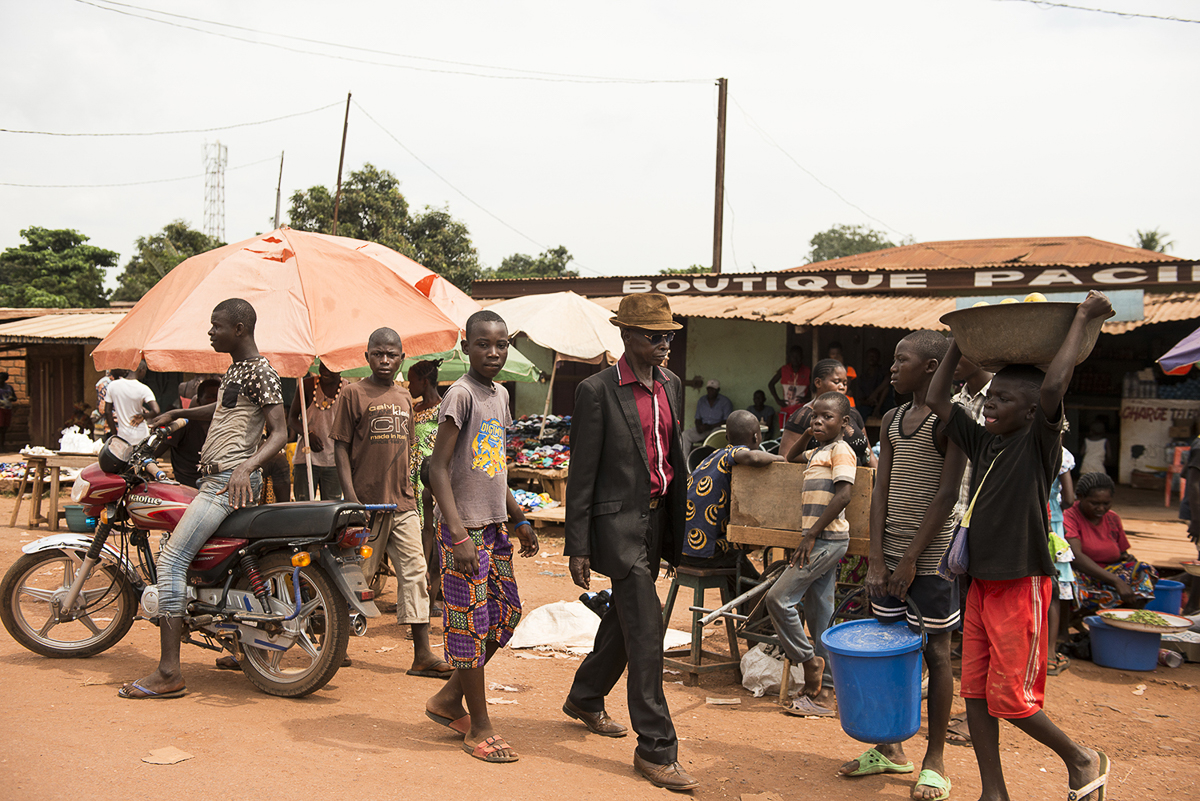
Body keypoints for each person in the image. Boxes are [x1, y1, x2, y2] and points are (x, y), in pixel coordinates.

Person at [928, 290, 1112, 801]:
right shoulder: (985, 439)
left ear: (1034, 413)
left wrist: (1081, 318)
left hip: (1020, 581)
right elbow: (938, 401)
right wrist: (955, 344)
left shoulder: (1039, 445)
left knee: (1012, 699)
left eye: (1005, 400)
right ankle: (994, 792)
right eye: (991, 398)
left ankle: (1080, 757)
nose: (991, 406)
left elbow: (1054, 384)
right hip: (980, 583)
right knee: (975, 695)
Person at [562, 293, 699, 791]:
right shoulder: (597, 390)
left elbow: (672, 461)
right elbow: (582, 471)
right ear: (627, 337)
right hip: (618, 528)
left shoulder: (671, 386)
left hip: (659, 521)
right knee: (647, 632)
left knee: (626, 619)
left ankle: (585, 695)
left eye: (668, 336)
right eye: (653, 336)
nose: (664, 344)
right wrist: (577, 543)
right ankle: (656, 749)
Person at [118, 298, 287, 699]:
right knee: (217, 562)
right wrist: (177, 413)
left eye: (217, 326)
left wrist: (246, 467)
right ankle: (239, 642)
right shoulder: (237, 371)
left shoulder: (260, 370)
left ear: (240, 329)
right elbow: (223, 410)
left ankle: (169, 671)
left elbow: (280, 432)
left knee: (172, 558)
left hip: (228, 483)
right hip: (218, 480)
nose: (210, 332)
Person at [837, 330, 966, 801]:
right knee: (890, 650)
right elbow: (880, 492)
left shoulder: (951, 421)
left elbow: (947, 495)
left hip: (931, 561)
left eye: (901, 360)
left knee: (936, 653)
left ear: (932, 368)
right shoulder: (892, 420)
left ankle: (935, 759)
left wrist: (911, 559)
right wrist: (876, 556)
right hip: (888, 556)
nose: (892, 368)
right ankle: (889, 748)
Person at [424, 310, 538, 764]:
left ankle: (449, 700)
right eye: (483, 344)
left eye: (501, 344)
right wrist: (457, 535)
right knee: (470, 624)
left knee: (506, 616)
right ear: (465, 347)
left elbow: (493, 464)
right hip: (463, 529)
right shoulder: (461, 395)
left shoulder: (501, 395)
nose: (493, 352)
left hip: (492, 525)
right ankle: (480, 728)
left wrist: (518, 516)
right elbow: (437, 469)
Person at [332, 328, 452, 680]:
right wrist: (351, 497)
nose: (385, 360)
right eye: (378, 354)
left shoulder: (404, 398)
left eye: (392, 354)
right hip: (365, 506)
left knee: (414, 574)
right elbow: (340, 446)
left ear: (402, 358)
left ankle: (422, 654)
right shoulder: (353, 393)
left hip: (402, 503)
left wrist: (413, 494)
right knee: (356, 577)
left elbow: (410, 451)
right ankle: (335, 647)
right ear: (367, 356)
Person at [767, 391, 857, 718]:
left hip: (826, 540)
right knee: (820, 611)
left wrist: (812, 534)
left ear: (844, 423)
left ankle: (808, 662)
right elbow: (790, 457)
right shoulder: (818, 452)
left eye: (827, 417)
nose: (819, 421)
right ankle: (825, 695)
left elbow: (845, 494)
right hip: (820, 540)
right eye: (814, 416)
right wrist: (807, 431)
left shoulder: (841, 451)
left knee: (778, 598)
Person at [681, 410, 783, 591]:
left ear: (727, 436)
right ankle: (754, 611)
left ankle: (743, 608)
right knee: (742, 566)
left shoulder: (712, 457)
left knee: (736, 557)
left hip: (682, 547)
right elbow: (753, 456)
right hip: (703, 552)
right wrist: (780, 459)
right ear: (756, 436)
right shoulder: (734, 454)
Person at [1065, 471, 1158, 613]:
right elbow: (1075, 556)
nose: (1101, 508)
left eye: (1106, 503)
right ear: (1080, 497)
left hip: (1108, 573)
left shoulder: (1112, 518)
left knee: (1143, 571)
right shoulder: (1069, 515)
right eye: (1095, 503)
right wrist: (1116, 581)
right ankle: (1076, 619)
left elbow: (1121, 552)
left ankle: (1127, 619)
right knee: (1068, 580)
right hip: (1082, 572)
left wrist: (1125, 558)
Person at [780, 359, 875, 468]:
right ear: (818, 382)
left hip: (861, 480)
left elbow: (869, 454)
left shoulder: (852, 413)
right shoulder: (802, 417)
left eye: (845, 383)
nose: (842, 387)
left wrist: (877, 479)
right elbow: (786, 462)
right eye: (836, 382)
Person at [408, 358, 444, 615]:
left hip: (433, 481)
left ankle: (432, 596)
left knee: (434, 538)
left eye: (412, 380)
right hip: (412, 482)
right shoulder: (413, 409)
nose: (409, 385)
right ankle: (420, 596)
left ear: (424, 381)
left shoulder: (444, 410)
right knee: (419, 539)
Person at [289, 362, 347, 501]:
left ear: (340, 368)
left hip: (334, 460)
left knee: (331, 507)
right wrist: (308, 434)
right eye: (322, 366)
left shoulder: (348, 389)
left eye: (330, 368)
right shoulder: (307, 385)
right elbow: (292, 419)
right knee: (303, 506)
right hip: (306, 457)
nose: (325, 371)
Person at [1046, 448, 1077, 675]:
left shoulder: (1020, 443)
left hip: (1026, 521)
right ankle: (1049, 654)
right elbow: (1069, 498)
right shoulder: (1061, 453)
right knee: (1053, 591)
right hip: (1053, 524)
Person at [164, 379, 219, 489]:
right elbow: (159, 448)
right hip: (187, 487)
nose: (215, 401)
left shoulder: (223, 426)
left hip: (214, 486)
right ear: (198, 401)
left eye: (218, 398)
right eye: (210, 397)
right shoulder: (183, 425)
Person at [104, 363, 160, 445]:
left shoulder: (112, 386)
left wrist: (114, 433)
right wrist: (143, 416)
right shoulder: (143, 389)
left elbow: (107, 412)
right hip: (141, 435)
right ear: (141, 369)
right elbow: (156, 410)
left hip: (122, 435)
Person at [681, 378, 732, 454]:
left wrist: (710, 426)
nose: (710, 392)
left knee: (714, 436)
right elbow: (697, 418)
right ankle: (683, 462)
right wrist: (699, 427)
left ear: (718, 390)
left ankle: (710, 460)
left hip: (716, 428)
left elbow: (726, 420)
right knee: (685, 435)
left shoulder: (725, 401)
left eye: (713, 390)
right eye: (709, 389)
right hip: (703, 428)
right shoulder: (702, 400)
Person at [1180, 428, 1200, 614]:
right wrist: (1196, 520)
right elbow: (1193, 482)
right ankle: (1192, 606)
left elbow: (1184, 472)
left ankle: (1177, 582)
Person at [768, 345, 811, 421]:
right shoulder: (784, 370)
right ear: (789, 357)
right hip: (786, 409)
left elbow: (816, 388)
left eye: (798, 356)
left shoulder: (807, 371)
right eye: (793, 356)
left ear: (802, 357)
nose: (796, 359)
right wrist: (777, 400)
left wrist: (807, 398)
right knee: (785, 431)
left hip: (802, 409)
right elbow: (771, 384)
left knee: (801, 432)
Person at [854, 347, 887, 412]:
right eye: (870, 356)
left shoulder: (883, 372)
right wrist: (869, 402)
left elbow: (887, 382)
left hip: (884, 405)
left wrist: (875, 393)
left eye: (874, 356)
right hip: (868, 406)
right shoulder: (863, 377)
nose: (872, 358)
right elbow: (860, 398)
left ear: (878, 358)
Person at [826, 342, 858, 406]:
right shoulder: (825, 370)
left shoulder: (849, 369)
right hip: (830, 402)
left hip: (847, 402)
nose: (835, 356)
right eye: (833, 354)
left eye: (837, 354)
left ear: (841, 354)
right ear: (829, 355)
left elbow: (845, 386)